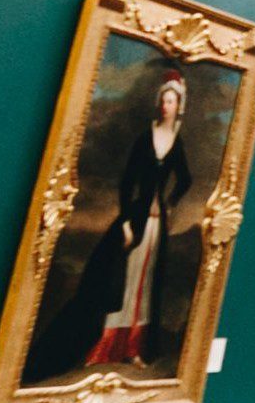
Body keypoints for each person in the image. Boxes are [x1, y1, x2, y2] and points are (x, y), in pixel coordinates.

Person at [27, 70, 194, 382]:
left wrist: (169, 202)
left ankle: (132, 349)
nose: (165, 106)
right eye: (162, 100)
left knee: (143, 286)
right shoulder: (146, 137)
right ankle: (104, 346)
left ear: (178, 104)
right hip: (136, 220)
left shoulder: (177, 141)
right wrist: (128, 221)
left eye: (170, 101)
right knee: (121, 280)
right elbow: (128, 181)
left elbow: (185, 179)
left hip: (157, 226)